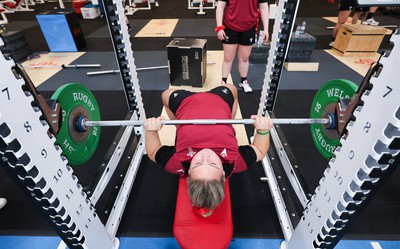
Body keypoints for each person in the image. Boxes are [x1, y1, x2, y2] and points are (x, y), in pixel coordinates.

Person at [144, 84, 273, 217]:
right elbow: (259, 150)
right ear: (223, 174)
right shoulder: (234, 161)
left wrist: (151, 130)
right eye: (213, 164)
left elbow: (153, 152)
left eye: (197, 164)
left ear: (188, 172)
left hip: (185, 103)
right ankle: (229, 120)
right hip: (219, 99)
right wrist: (263, 130)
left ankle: (179, 123)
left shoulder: (177, 163)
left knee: (165, 95)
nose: (205, 156)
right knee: (232, 89)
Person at [215, 0, 269, 93]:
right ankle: (223, 82)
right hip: (230, 26)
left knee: (244, 58)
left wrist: (266, 29)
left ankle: (243, 81)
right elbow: (220, 7)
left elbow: (264, 7)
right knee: (228, 58)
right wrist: (219, 27)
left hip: (249, 27)